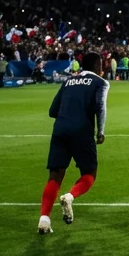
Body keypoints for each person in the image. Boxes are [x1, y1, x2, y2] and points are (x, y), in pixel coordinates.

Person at [37, 53, 109, 234]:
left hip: (60, 129)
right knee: (90, 173)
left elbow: (52, 110)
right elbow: (100, 106)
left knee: (55, 175)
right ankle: (70, 196)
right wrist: (100, 132)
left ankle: (44, 219)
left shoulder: (68, 81)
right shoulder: (100, 82)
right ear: (99, 67)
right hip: (82, 131)